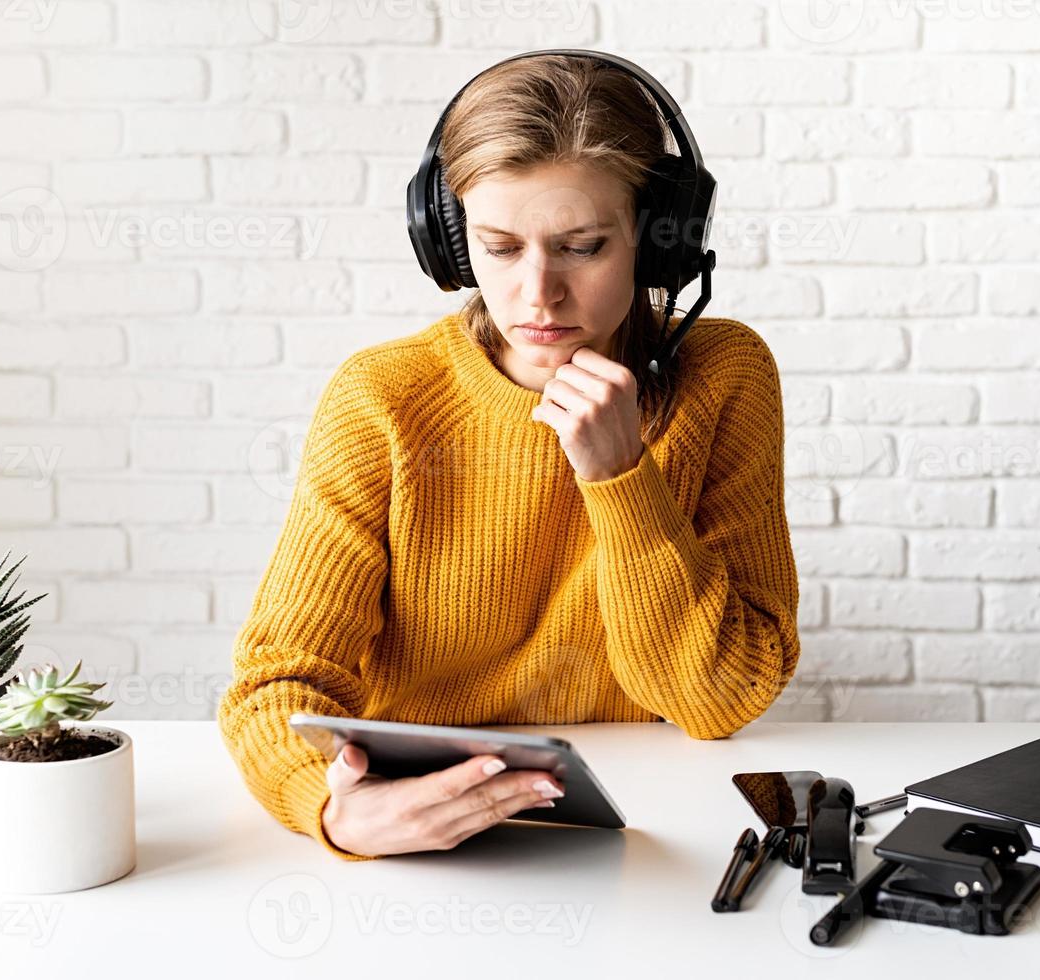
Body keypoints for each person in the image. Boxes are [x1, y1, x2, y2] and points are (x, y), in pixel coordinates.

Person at [217, 52, 801, 860]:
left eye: (583, 247)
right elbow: (276, 682)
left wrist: (621, 477)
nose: (537, 295)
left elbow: (719, 700)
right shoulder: (382, 398)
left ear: (657, 241)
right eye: (497, 249)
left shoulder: (723, 375)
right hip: (425, 834)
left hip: (656, 822)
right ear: (452, 246)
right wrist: (331, 808)